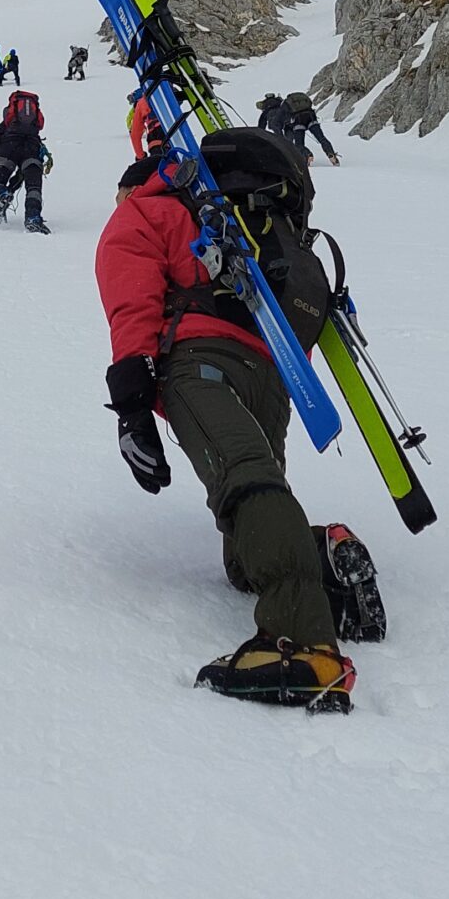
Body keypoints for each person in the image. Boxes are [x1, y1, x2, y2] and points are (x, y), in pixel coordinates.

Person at [94, 146, 384, 712]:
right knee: (246, 541)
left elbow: (132, 304)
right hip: (273, 375)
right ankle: (322, 558)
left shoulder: (145, 211)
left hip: (200, 360)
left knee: (244, 483)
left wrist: (132, 407)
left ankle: (300, 645)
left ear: (136, 185)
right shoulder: (233, 216)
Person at [0, 89, 53, 234]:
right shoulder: (34, 134)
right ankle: (33, 218)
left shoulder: (2, 130)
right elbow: (22, 174)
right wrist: (13, 187)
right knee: (34, 187)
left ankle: (0, 198)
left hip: (8, 149)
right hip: (32, 149)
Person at [259, 91, 341, 166]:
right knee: (321, 138)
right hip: (311, 117)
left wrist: (279, 135)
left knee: (299, 144)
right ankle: (331, 154)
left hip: (298, 122)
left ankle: (307, 154)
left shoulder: (282, 106)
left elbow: (275, 122)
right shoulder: (290, 101)